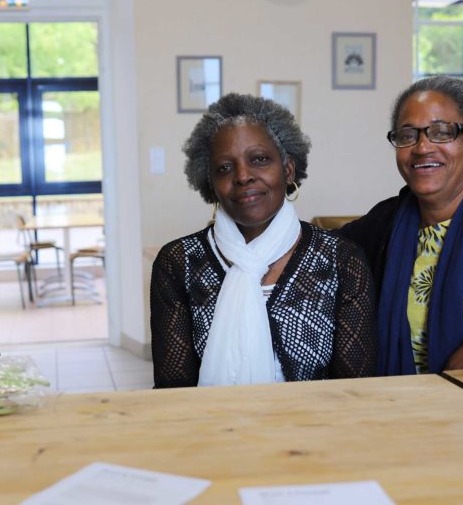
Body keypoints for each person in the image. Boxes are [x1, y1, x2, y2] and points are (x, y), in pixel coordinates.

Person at [150, 93, 376, 388]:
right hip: (212, 430)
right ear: (210, 184)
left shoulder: (342, 261)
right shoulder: (178, 262)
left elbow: (356, 391)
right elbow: (173, 392)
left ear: (288, 169)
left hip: (318, 430)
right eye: (224, 168)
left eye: (259, 159)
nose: (243, 176)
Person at [338, 75, 463, 375]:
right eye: (407, 135)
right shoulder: (383, 225)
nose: (422, 147)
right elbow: (309, 249)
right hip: (409, 414)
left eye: (441, 132)